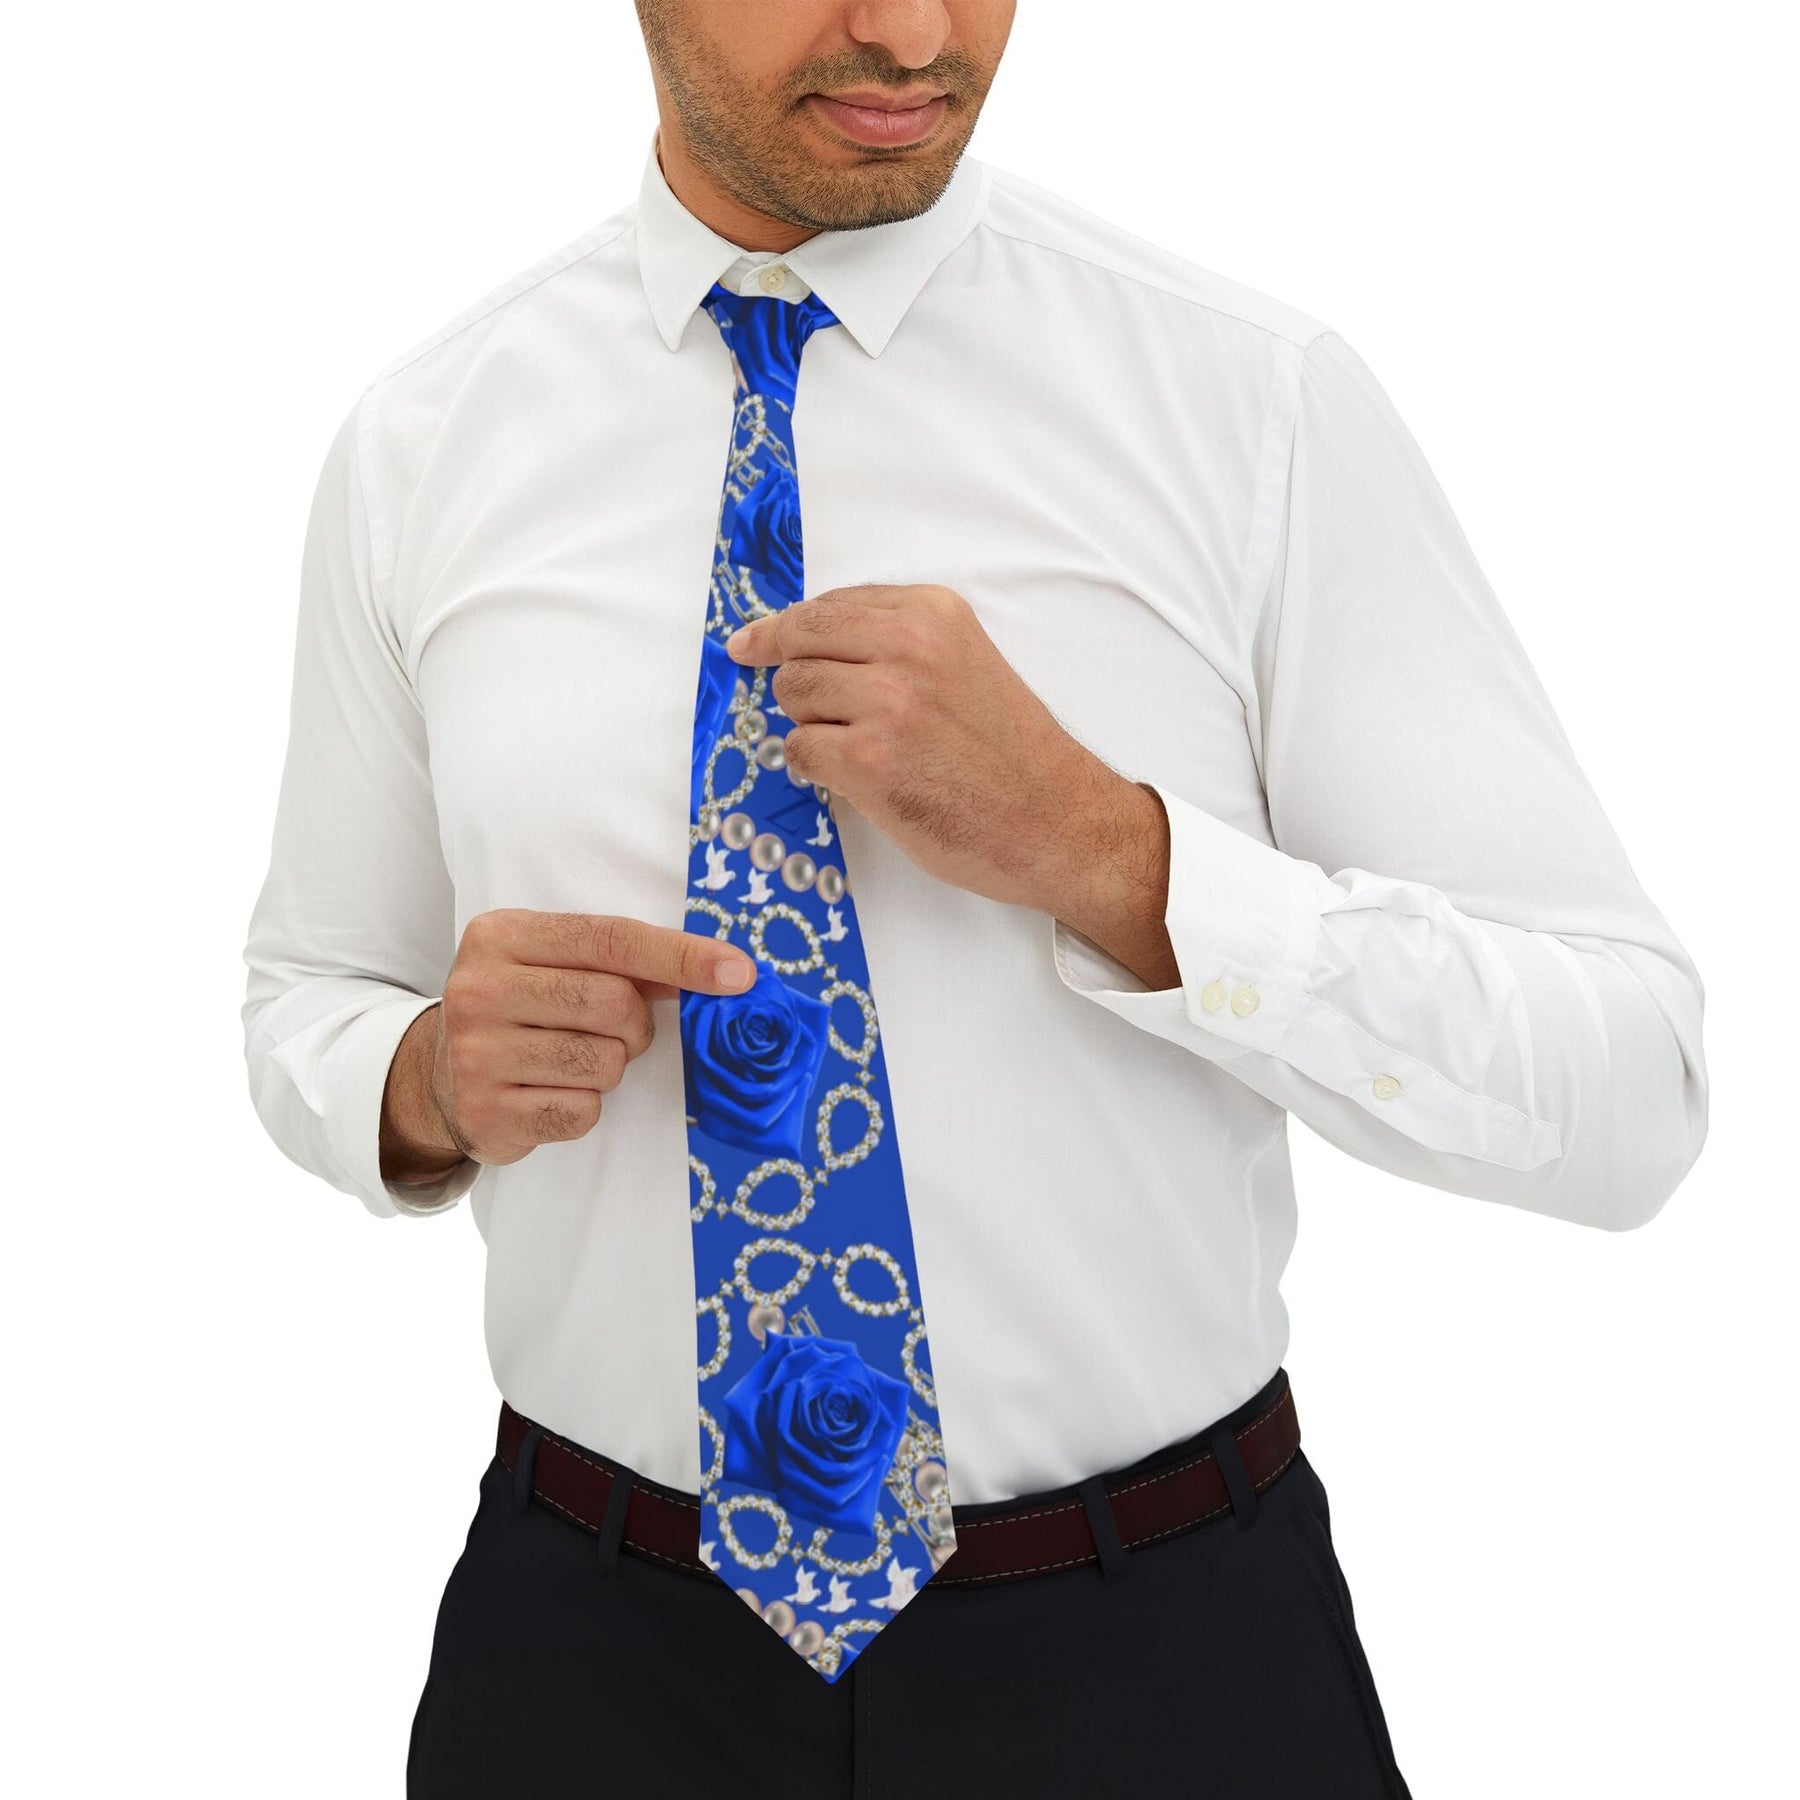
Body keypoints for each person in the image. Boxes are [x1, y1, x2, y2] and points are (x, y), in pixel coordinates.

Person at [240, 2, 1709, 1793]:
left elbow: (1628, 1089)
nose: (912, 30)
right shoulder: (422, 446)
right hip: (592, 1662)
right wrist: (418, 1083)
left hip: (1164, 1661)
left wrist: (1107, 851)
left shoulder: (1248, 404)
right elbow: (312, 988)